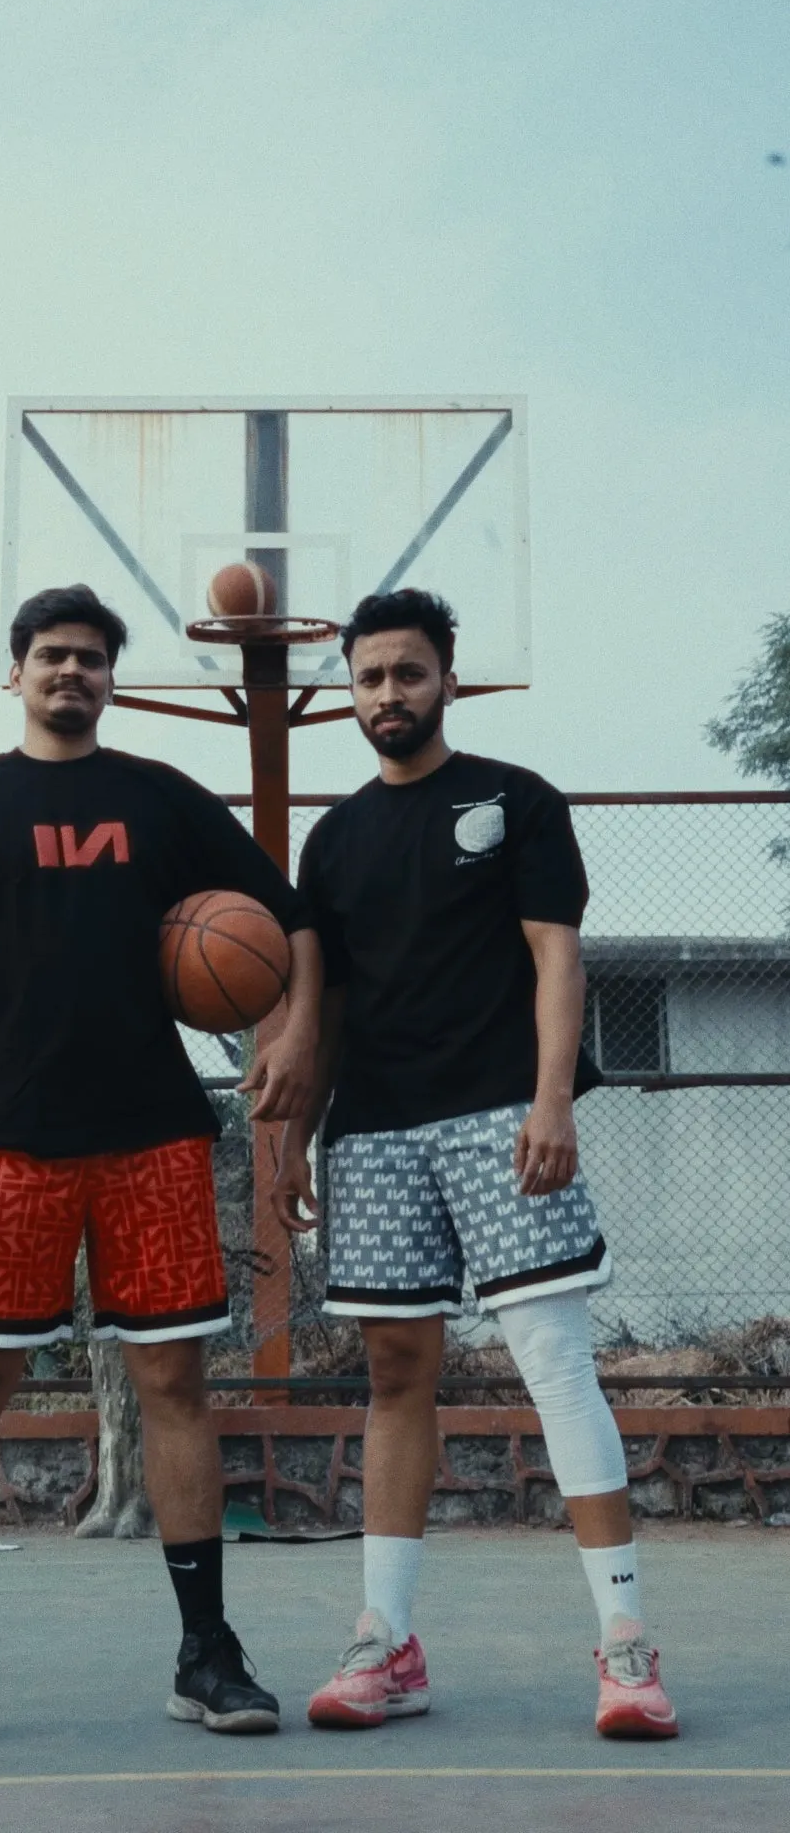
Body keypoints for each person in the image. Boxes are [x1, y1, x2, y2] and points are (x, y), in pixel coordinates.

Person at [0, 584, 321, 1754]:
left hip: (152, 1137)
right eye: (52, 656)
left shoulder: (158, 799)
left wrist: (296, 1034)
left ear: (114, 679)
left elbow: (287, 919)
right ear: (12, 673)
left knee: (176, 1390)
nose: (72, 673)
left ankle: (207, 1652)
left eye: (92, 659)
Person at [273, 587, 677, 1740]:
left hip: (504, 1110)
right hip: (381, 1129)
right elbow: (325, 1006)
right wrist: (297, 1137)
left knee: (553, 1361)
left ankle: (626, 1647)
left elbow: (558, 960)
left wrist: (554, 1099)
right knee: (395, 1375)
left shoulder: (517, 799)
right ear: (348, 691)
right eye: (368, 678)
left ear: (448, 677)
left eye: (407, 673)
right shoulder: (336, 836)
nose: (387, 695)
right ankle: (385, 1644)